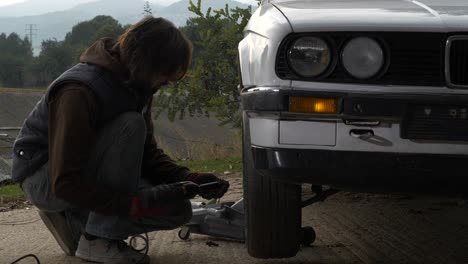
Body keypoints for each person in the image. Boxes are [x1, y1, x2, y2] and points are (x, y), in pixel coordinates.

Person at [11, 16, 229, 264]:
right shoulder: (79, 91)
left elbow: (147, 154)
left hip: (83, 176)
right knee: (130, 125)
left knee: (177, 209)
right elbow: (65, 182)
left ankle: (77, 223)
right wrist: (132, 204)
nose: (165, 83)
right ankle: (97, 241)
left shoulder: (138, 85)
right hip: (44, 179)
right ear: (147, 64)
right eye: (165, 76)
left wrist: (189, 178)